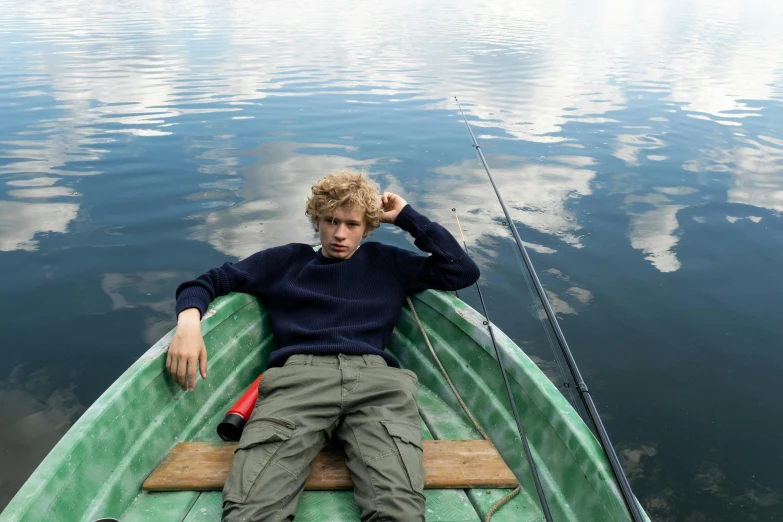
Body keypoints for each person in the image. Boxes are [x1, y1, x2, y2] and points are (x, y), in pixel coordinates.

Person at [167, 169, 480, 522]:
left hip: (377, 385)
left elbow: (461, 271)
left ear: (368, 228)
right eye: (331, 221)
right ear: (316, 221)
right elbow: (210, 281)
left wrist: (408, 217)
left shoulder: (387, 262)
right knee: (250, 512)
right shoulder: (286, 262)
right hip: (299, 381)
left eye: (352, 224)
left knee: (400, 512)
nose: (340, 234)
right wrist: (189, 322)